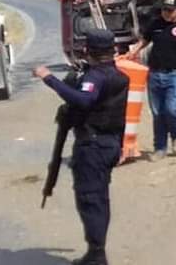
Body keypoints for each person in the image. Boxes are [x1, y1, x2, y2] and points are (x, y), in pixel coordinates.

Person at [33, 28, 129, 265]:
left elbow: (84, 100)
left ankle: (97, 255)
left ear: (88, 51)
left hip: (93, 146)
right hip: (110, 143)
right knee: (100, 198)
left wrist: (48, 77)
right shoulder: (118, 76)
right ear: (113, 50)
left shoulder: (96, 77)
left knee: (90, 199)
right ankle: (96, 250)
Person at [124, 0, 176, 159]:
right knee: (158, 113)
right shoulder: (155, 24)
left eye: (170, 10)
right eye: (164, 10)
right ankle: (159, 147)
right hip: (154, 74)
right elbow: (145, 40)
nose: (166, 13)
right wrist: (134, 51)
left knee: (172, 109)